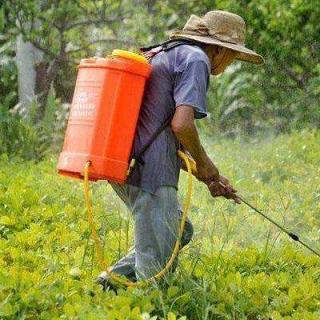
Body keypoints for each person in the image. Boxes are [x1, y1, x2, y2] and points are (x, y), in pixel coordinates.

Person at [96, 10, 264, 292]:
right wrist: (205, 162)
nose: (231, 62)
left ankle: (110, 283)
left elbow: (161, 131)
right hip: (149, 171)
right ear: (220, 50)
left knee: (179, 228)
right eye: (233, 55)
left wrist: (208, 175)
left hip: (125, 160)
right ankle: (147, 305)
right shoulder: (197, 59)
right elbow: (182, 124)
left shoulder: (169, 53)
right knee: (156, 274)